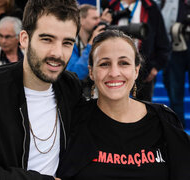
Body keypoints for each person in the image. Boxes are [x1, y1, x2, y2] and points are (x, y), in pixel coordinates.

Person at [57, 30, 190, 180]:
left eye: (124, 63)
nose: (114, 73)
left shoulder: (164, 121)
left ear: (136, 71)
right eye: (104, 64)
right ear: (91, 72)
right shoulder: (73, 121)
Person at [0, 0, 82, 180]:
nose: (57, 53)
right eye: (47, 39)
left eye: (67, 43)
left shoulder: (71, 88)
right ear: (24, 39)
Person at [105, 0, 170, 101]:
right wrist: (104, 22)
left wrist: (155, 67)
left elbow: (162, 39)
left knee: (143, 109)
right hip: (113, 67)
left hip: (144, 69)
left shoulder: (150, 6)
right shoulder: (110, 5)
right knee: (114, 105)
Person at [160, 0, 190, 128]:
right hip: (175, 49)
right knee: (175, 92)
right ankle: (179, 129)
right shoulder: (168, 2)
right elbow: (162, 25)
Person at [66, 4, 112, 80]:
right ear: (81, 21)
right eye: (95, 18)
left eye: (99, 18)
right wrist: (91, 44)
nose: (99, 21)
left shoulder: (100, 40)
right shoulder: (70, 43)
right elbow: (76, 74)